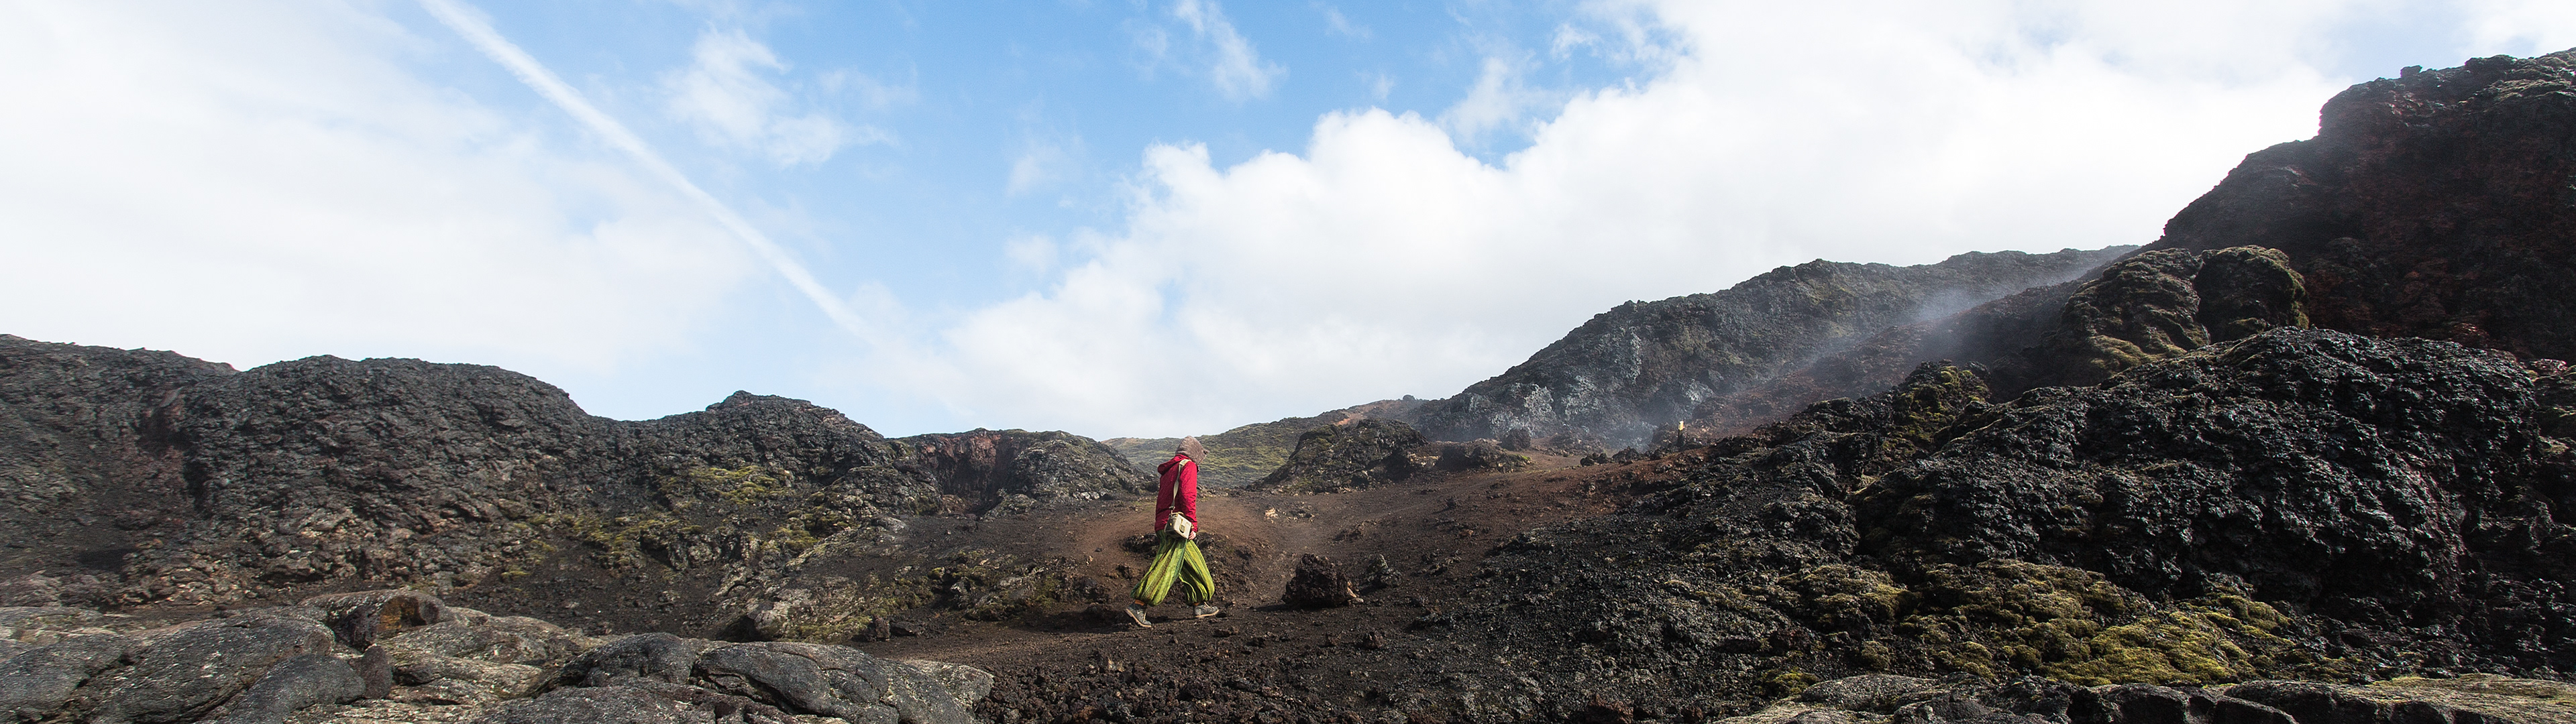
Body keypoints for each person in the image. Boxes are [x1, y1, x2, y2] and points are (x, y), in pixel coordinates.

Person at [1127, 437, 1218, 627]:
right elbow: (1187, 495)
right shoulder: (1188, 466)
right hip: (1178, 527)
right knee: (1166, 566)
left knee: (1194, 564)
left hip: (1165, 524)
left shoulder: (1169, 470)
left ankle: (1200, 604)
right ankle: (1139, 605)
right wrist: (1192, 524)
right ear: (1195, 454)